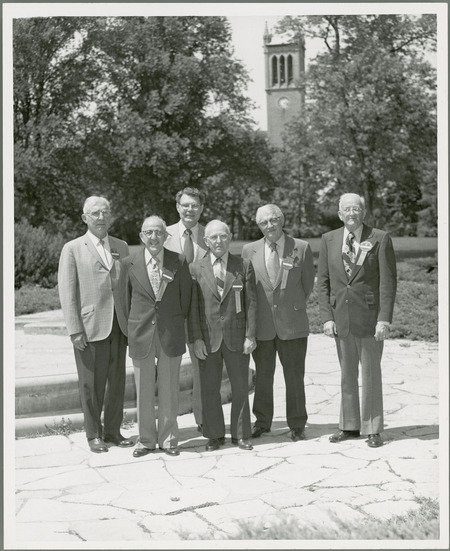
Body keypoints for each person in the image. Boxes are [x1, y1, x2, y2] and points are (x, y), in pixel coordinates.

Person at [317, 193, 397, 448]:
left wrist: (384, 319)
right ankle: (349, 426)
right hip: (341, 319)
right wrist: (327, 317)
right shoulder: (328, 240)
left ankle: (372, 428)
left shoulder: (380, 238)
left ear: (363, 213)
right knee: (346, 375)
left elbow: (387, 282)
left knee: (371, 374)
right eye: (346, 209)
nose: (351, 213)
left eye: (356, 209)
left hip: (370, 319)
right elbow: (324, 283)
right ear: (340, 214)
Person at [58, 196, 133, 453]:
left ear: (110, 216)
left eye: (105, 212)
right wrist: (74, 329)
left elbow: (128, 287)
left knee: (117, 381)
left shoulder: (122, 247)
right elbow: (67, 293)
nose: (101, 217)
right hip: (90, 327)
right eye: (95, 213)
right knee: (91, 384)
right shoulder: (73, 249)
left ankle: (113, 431)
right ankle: (93, 435)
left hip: (119, 325)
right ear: (84, 218)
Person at [241, 204, 315, 442]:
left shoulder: (301, 248)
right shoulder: (248, 250)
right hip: (261, 325)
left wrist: (288, 305)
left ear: (282, 220)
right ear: (258, 226)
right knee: (263, 377)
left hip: (292, 324)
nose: (269, 226)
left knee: (294, 377)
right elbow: (248, 288)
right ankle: (262, 422)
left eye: (273, 220)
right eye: (264, 222)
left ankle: (297, 424)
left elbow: (307, 286)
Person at [121, 215, 192, 457]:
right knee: (143, 390)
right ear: (141, 236)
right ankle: (146, 440)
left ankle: (169, 439)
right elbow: (124, 303)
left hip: (170, 334)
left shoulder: (179, 261)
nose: (154, 237)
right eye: (148, 232)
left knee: (170, 388)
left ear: (165, 236)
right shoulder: (129, 263)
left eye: (158, 232)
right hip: (141, 334)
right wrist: (130, 331)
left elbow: (186, 299)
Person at [188, 220, 257, 451]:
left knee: (240, 387)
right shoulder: (195, 268)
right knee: (210, 389)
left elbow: (252, 304)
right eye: (213, 237)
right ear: (206, 241)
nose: (219, 241)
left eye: (223, 236)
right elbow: (193, 309)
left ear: (229, 238)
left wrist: (251, 335)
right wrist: (196, 338)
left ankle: (241, 434)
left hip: (237, 337)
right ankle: (215, 435)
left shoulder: (243, 265)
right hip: (208, 339)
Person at [165, 187, 207, 432]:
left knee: (201, 367)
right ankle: (169, 426)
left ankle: (203, 419)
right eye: (186, 205)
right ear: (178, 207)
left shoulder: (211, 235)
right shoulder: (164, 234)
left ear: (201, 209)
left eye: (195, 206)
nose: (190, 210)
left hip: (201, 312)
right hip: (172, 312)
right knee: (170, 370)